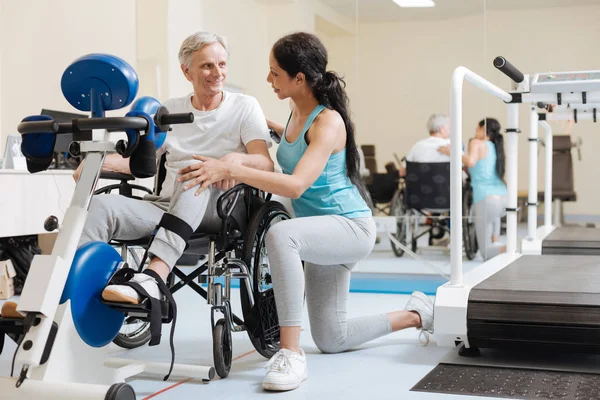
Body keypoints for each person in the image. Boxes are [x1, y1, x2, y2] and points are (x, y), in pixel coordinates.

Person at [177, 32, 434, 392]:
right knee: (333, 337)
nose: (269, 80)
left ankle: (290, 353)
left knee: (281, 234)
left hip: (349, 228)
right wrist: (247, 120)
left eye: (274, 73)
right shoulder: (298, 112)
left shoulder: (328, 122)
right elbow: (292, 140)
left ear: (299, 78)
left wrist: (229, 168)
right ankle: (418, 314)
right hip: (320, 233)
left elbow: (296, 185)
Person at [74, 31, 274, 303]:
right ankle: (78, 287)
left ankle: (154, 276)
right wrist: (97, 162)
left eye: (222, 64)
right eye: (207, 65)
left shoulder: (245, 106)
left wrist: (231, 162)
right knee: (100, 207)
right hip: (165, 206)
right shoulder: (169, 109)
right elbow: (142, 163)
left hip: (220, 209)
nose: (217, 73)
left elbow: (264, 162)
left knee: (194, 171)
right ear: (186, 71)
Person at [438, 118, 507, 260]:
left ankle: (516, 248)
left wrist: (452, 152)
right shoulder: (495, 146)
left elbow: (470, 161)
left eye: (477, 129)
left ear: (483, 129)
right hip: (503, 197)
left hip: (485, 197)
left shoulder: (476, 143)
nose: (475, 133)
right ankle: (499, 241)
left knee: (486, 253)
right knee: (490, 221)